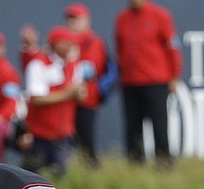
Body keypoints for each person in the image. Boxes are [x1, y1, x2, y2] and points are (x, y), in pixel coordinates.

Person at [115, 0, 183, 165]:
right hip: (130, 82)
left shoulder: (160, 15)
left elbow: (172, 47)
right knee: (132, 127)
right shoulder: (122, 18)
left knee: (159, 125)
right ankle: (134, 163)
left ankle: (164, 163)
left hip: (156, 81)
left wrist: (174, 76)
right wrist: (122, 75)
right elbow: (120, 49)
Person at [21, 26, 87, 176]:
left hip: (63, 135)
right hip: (39, 135)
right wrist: (68, 93)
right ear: (57, 44)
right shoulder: (38, 64)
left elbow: (80, 96)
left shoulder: (73, 65)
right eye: (68, 43)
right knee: (33, 179)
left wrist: (78, 93)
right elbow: (37, 99)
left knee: (62, 178)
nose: (71, 47)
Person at [65, 3, 109, 168]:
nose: (72, 23)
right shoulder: (66, 41)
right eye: (70, 19)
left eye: (76, 19)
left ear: (86, 20)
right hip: (67, 100)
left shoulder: (94, 41)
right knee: (66, 143)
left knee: (86, 142)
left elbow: (90, 69)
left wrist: (72, 64)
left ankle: (91, 174)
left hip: (86, 99)